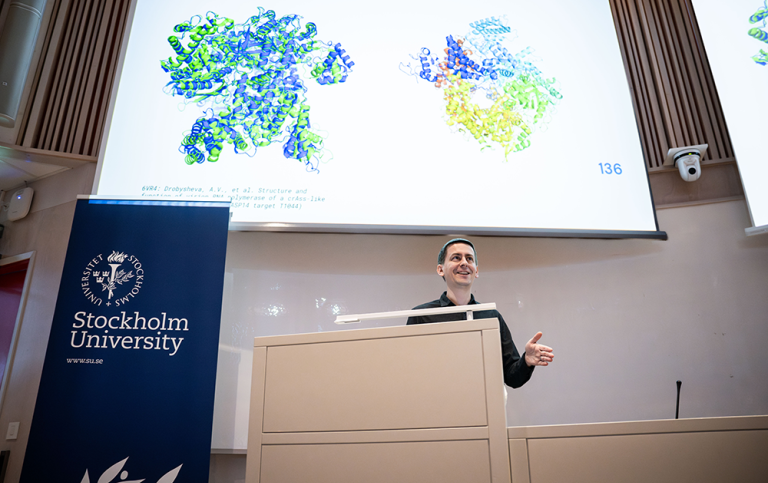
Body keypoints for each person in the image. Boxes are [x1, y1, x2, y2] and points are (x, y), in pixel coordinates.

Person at [406, 238, 553, 388]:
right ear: (440, 269)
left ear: (476, 271)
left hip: (481, 406)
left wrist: (526, 361)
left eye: (469, 259)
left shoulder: (490, 316)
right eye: (456, 257)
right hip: (434, 404)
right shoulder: (422, 316)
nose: (464, 263)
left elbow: (512, 377)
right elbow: (408, 372)